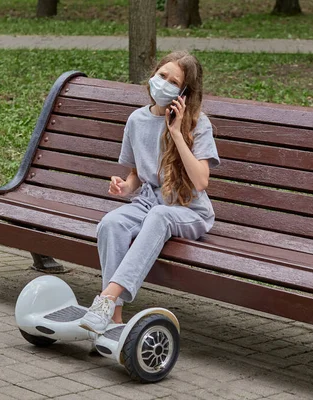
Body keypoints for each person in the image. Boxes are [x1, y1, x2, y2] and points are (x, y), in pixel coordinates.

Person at [79, 50, 220, 334]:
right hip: (147, 203)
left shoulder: (197, 124)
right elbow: (135, 176)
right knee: (111, 223)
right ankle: (114, 318)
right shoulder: (136, 120)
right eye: (161, 75)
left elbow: (201, 182)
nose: (163, 83)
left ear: (184, 93)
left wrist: (177, 133)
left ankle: (106, 298)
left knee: (160, 215)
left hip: (189, 210)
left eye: (173, 81)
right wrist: (124, 187)